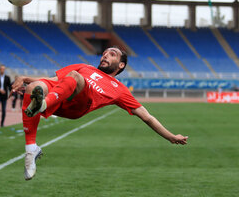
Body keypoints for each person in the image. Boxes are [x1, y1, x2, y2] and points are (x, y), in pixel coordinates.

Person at [11, 46, 189, 181]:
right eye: (105, 53)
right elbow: (53, 81)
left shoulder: (120, 90)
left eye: (112, 54)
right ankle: (31, 149)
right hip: (59, 96)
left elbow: (146, 116)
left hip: (78, 105)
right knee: (34, 87)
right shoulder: (84, 67)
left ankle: (42, 105)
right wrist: (26, 79)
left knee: (74, 77)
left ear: (121, 65)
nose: (105, 55)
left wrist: (170, 136)